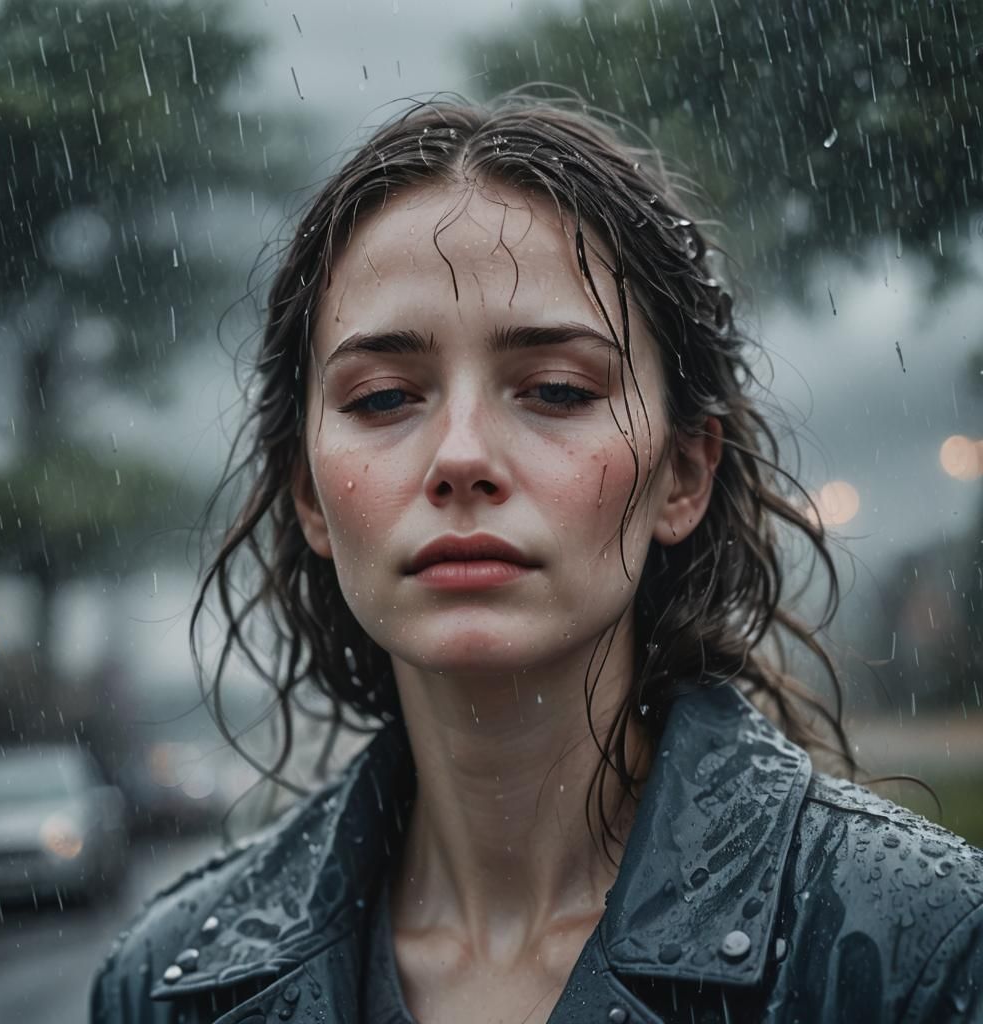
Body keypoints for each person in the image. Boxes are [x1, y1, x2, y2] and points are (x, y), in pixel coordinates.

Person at [90, 90, 983, 1024]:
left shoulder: (917, 951)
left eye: (556, 389)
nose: (462, 456)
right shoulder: (163, 990)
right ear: (310, 494)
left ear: (683, 473)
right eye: (385, 397)